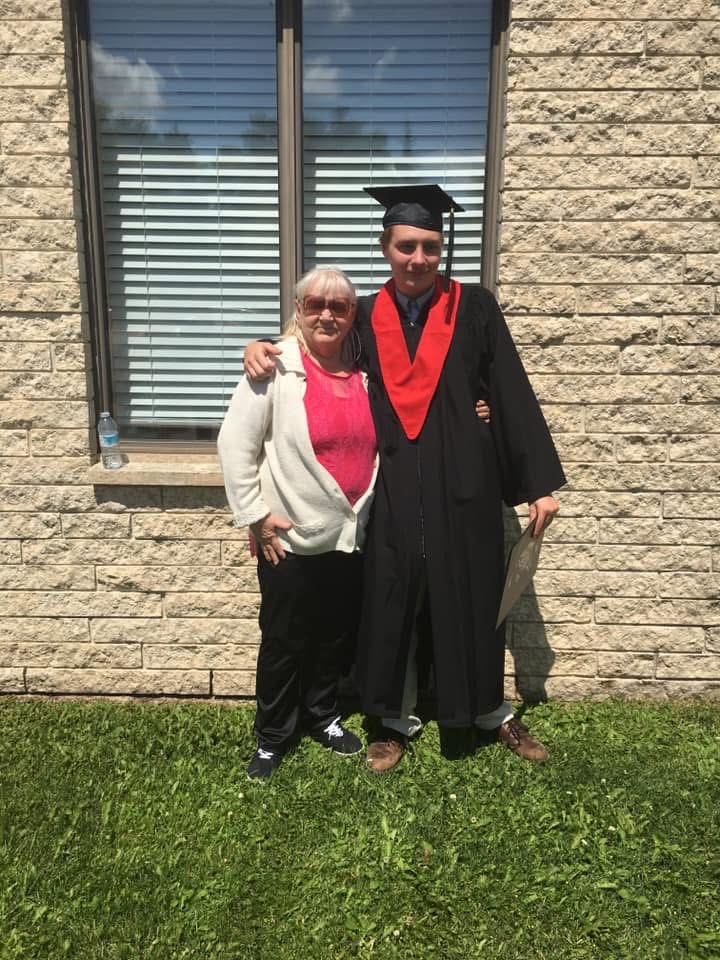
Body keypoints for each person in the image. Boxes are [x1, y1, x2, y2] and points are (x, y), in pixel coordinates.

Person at [244, 184, 565, 774]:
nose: (419, 258)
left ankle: (489, 709)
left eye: (431, 247)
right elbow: (316, 349)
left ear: (441, 250)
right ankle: (392, 719)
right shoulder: (362, 313)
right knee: (391, 598)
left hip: (464, 482)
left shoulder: (475, 307)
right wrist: (263, 346)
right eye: (407, 246)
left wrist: (536, 483)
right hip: (389, 482)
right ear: (385, 247)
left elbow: (511, 394)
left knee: (471, 591)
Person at [218, 267, 378, 780]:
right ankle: (272, 736)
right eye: (315, 305)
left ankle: (323, 716)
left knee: (333, 634)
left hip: (349, 536)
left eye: (340, 306)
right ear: (299, 309)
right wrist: (255, 517)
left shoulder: (364, 367)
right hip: (287, 539)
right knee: (285, 638)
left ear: (354, 316)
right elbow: (234, 445)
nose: (327, 314)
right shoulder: (275, 367)